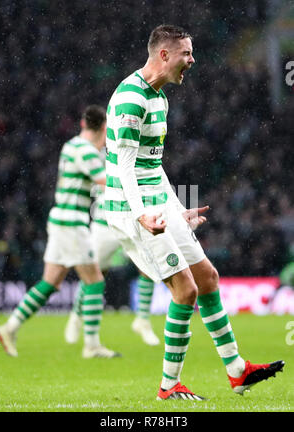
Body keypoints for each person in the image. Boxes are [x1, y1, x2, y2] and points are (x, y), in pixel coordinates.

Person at [104, 24, 285, 400]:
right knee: (184, 291)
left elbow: (151, 166)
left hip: (156, 203)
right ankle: (169, 386)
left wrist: (175, 209)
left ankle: (237, 371)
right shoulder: (130, 99)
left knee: (208, 277)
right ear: (164, 55)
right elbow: (123, 169)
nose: (192, 60)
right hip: (130, 207)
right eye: (186, 53)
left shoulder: (161, 98)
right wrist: (142, 215)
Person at [0, 105, 120, 359]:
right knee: (95, 280)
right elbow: (105, 181)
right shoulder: (86, 151)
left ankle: (9, 328)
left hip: (60, 219)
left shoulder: (71, 146)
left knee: (50, 283)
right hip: (72, 224)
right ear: (104, 128)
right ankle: (92, 345)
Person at [65, 184, 160, 346]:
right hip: (105, 223)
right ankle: (76, 315)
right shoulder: (102, 160)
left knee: (148, 268)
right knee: (93, 273)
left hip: (133, 221)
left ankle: (143, 320)